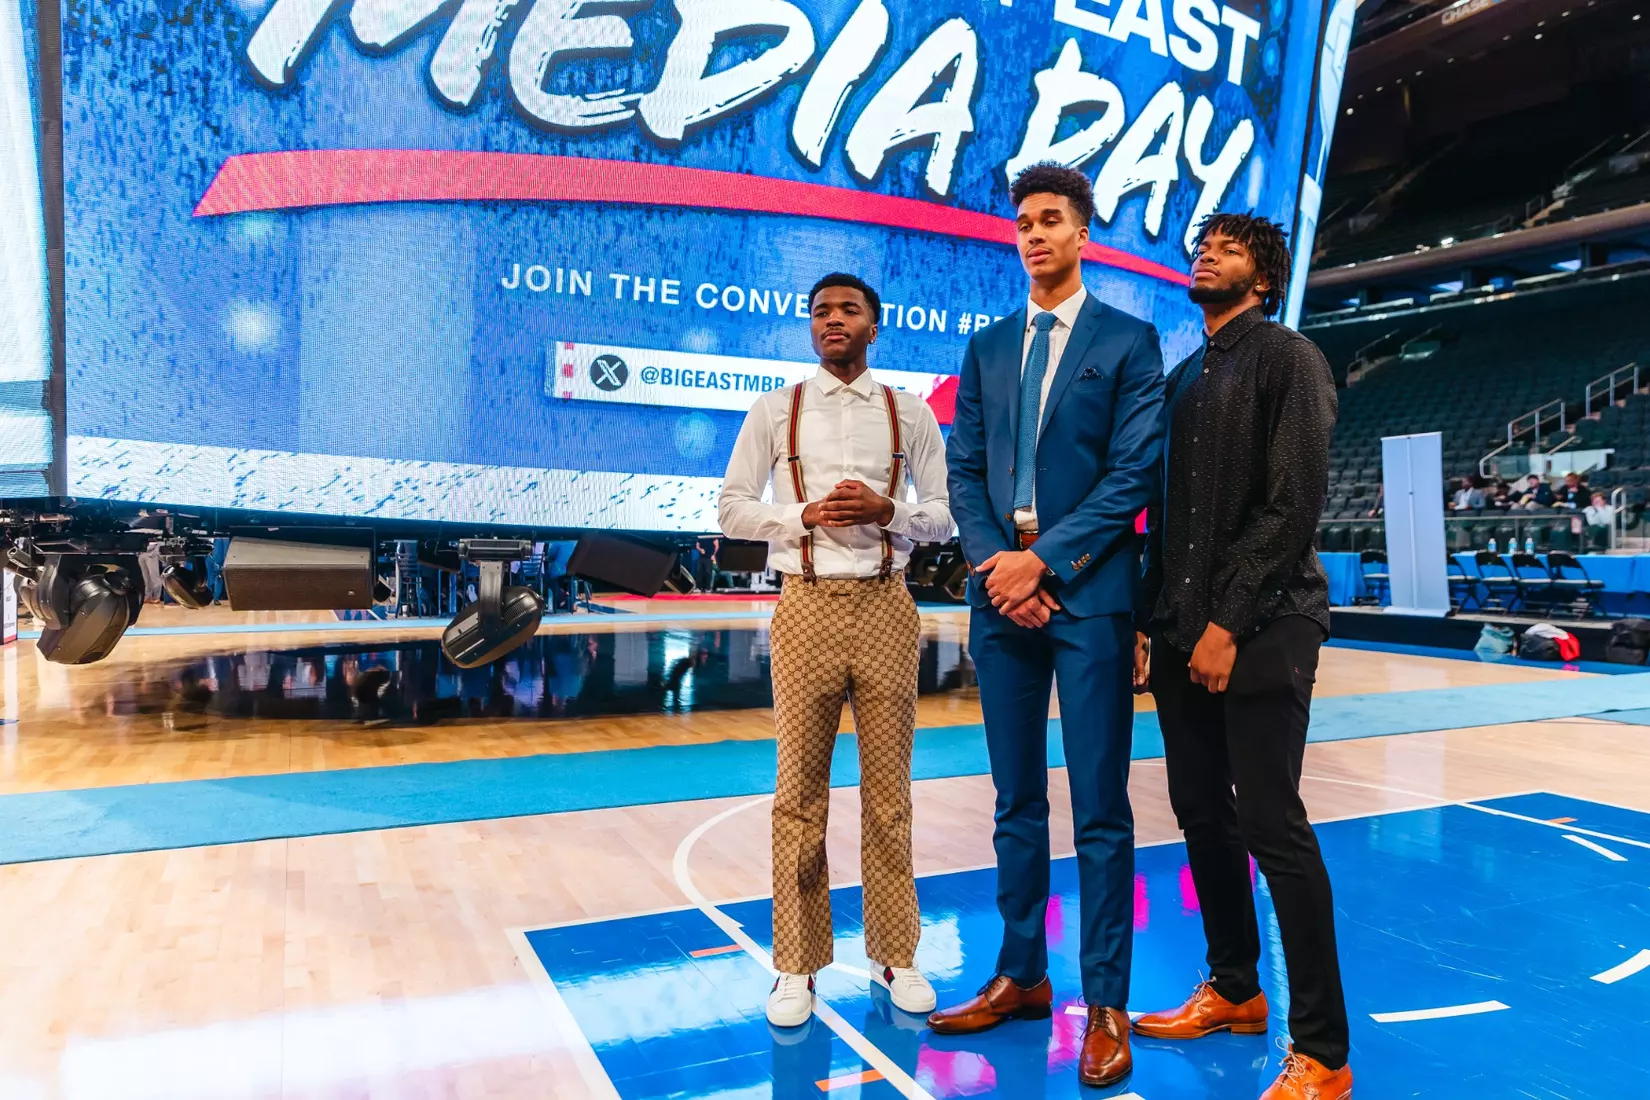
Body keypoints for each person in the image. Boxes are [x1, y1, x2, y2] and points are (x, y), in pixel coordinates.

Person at [929, 163, 1165, 1090]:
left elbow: (1133, 474)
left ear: (1082, 235)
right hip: (1003, 600)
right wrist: (1000, 567)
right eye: (1023, 221)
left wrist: (1046, 562)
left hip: (1088, 595)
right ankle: (1022, 974)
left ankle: (1104, 1001)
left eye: (1050, 220)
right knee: (1015, 801)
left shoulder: (1130, 341)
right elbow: (964, 474)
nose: (1033, 234)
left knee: (1100, 807)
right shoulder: (987, 348)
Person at [1132, 213, 1352, 1100]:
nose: (1204, 255)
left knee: (1272, 823)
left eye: (1225, 248)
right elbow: (1166, 517)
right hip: (1186, 628)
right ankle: (1233, 987)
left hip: (1265, 625)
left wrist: (1227, 622)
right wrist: (1157, 620)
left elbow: (1292, 504)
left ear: (1262, 278)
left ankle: (1325, 1054)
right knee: (1199, 811)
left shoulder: (1290, 359)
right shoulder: (1187, 375)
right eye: (1200, 246)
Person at [718, 272, 954, 1029]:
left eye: (848, 310)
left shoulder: (909, 414)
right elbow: (730, 510)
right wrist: (801, 515)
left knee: (890, 798)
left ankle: (897, 952)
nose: (833, 321)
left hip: (888, 605)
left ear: (874, 326)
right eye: (821, 312)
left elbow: (946, 518)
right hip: (806, 605)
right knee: (797, 796)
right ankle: (796, 965)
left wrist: (892, 511)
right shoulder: (776, 410)